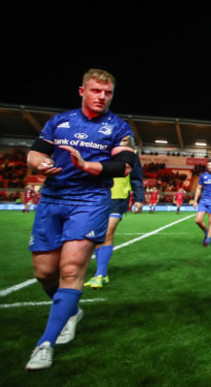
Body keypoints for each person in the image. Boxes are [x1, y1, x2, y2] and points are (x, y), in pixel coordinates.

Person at [24, 68, 137, 370]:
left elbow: (124, 166)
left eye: (108, 92)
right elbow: (34, 154)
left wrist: (88, 165)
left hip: (90, 200)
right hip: (52, 198)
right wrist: (42, 163)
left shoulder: (119, 126)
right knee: (44, 271)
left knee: (71, 268)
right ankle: (71, 312)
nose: (102, 97)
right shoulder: (59, 121)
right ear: (82, 91)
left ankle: (45, 343)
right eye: (96, 91)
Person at [84, 151, 144, 289]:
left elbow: (136, 177)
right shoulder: (100, 146)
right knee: (97, 235)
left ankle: (99, 274)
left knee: (107, 233)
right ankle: (102, 273)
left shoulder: (131, 152)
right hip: (95, 195)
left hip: (118, 197)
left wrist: (139, 198)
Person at [193, 159, 211, 247]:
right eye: (208, 165)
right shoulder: (203, 176)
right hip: (203, 200)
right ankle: (206, 232)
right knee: (198, 220)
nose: (209, 166)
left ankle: (208, 240)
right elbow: (199, 188)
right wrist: (195, 201)